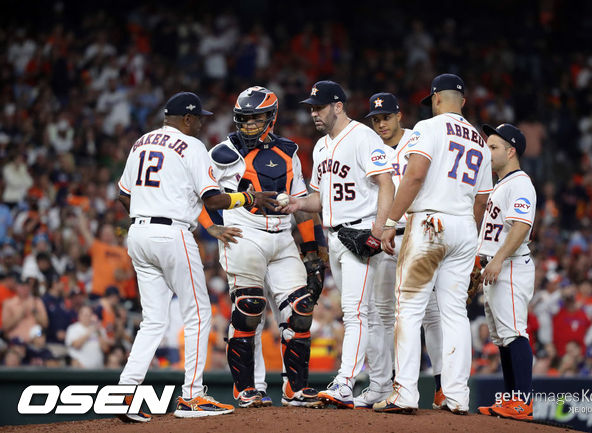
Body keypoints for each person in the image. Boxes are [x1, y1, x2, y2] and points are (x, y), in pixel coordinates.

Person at [116, 91, 276, 422]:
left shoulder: (141, 142)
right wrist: (248, 197)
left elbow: (123, 194)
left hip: (139, 232)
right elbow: (213, 200)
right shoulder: (192, 146)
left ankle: (125, 394)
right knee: (199, 313)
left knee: (153, 320)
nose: (202, 123)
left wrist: (149, 213)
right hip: (171, 234)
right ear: (187, 118)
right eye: (198, 118)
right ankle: (192, 396)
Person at [199, 86, 325, 408]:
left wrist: (312, 252)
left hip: (283, 236)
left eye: (256, 118)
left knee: (300, 310)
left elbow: (301, 205)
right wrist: (211, 226)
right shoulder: (223, 153)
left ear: (271, 117)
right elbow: (199, 194)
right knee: (249, 308)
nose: (250, 124)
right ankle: (246, 390)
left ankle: (294, 389)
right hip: (246, 233)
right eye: (245, 118)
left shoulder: (289, 151)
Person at [376, 74, 492, 414]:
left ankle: (406, 393)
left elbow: (414, 176)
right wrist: (470, 235)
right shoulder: (482, 142)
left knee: (409, 308)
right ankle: (457, 396)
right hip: (465, 226)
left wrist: (390, 222)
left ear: (436, 99)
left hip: (429, 222)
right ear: (464, 103)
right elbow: (483, 201)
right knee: (454, 313)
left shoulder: (428, 127)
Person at [280, 80, 395, 408]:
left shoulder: (362, 136)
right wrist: (297, 204)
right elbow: (320, 198)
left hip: (361, 234)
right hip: (337, 237)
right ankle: (380, 386)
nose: (314, 113)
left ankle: (345, 381)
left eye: (319, 107)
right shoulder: (320, 146)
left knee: (356, 313)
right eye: (311, 108)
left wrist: (379, 226)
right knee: (366, 314)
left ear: (338, 106)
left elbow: (386, 183)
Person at [357, 92, 444, 409]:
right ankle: (381, 386)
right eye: (376, 119)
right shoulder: (368, 146)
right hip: (382, 238)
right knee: (379, 314)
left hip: (418, 233)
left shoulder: (418, 139)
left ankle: (441, 386)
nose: (380, 123)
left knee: (431, 315)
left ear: (399, 116)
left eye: (385, 117)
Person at [472, 123, 536, 420]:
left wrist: (496, 260)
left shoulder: (520, 183)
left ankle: (522, 401)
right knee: (502, 338)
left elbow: (521, 227)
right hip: (496, 267)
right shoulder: (501, 183)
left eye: (494, 146)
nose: (488, 150)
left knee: (514, 333)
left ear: (511, 151)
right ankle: (512, 400)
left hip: (509, 267)